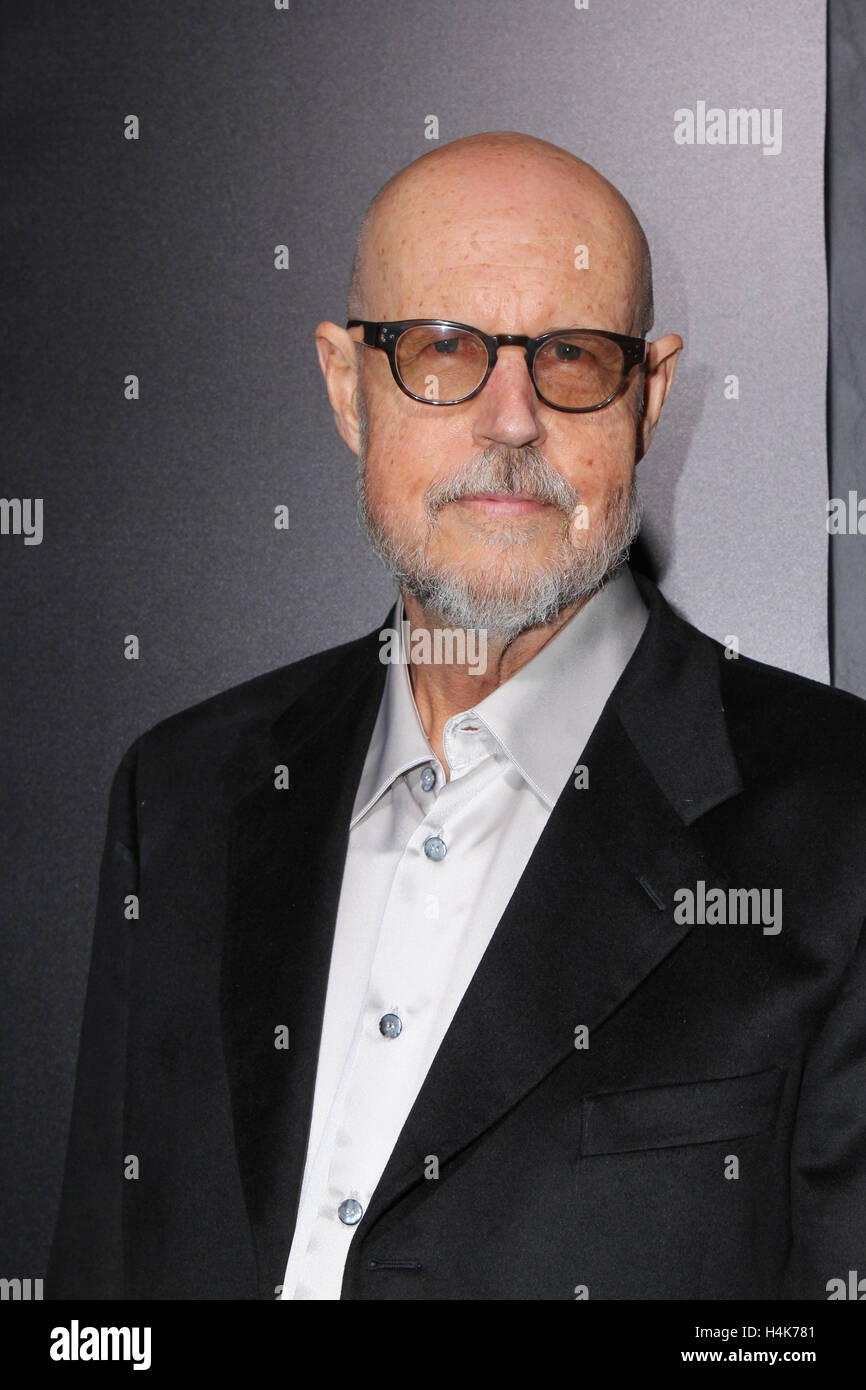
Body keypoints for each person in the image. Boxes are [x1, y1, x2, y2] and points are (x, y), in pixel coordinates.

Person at [48, 131, 866, 1301]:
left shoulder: (839, 827)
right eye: (443, 349)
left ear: (648, 394)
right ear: (345, 386)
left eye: (572, 356)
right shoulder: (180, 796)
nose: (511, 418)